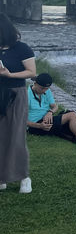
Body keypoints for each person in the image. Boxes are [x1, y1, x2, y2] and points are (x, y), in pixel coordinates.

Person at [0, 13, 36, 193]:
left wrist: (10, 75)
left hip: (15, 93)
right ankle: (2, 177)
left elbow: (31, 72)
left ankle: (24, 177)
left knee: (15, 135)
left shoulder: (21, 48)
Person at [27, 73, 76, 153]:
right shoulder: (26, 96)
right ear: (35, 84)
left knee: (70, 113)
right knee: (71, 116)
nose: (44, 91)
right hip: (35, 126)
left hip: (48, 120)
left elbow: (55, 106)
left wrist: (50, 112)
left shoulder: (47, 91)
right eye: (42, 88)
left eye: (47, 88)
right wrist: (39, 126)